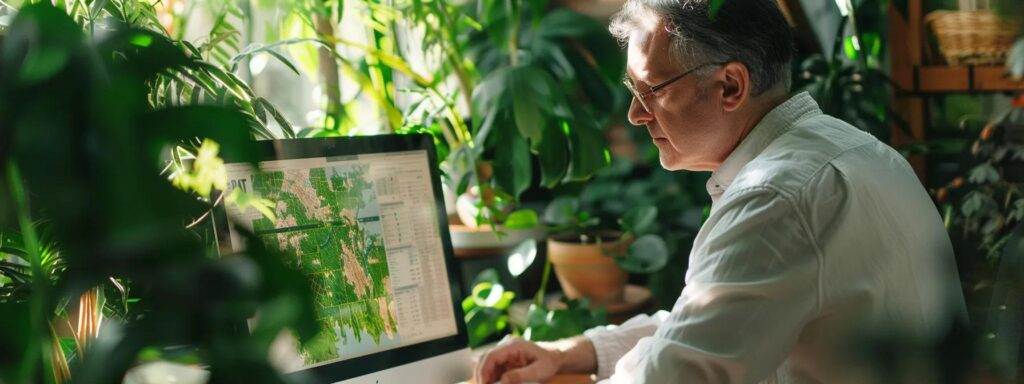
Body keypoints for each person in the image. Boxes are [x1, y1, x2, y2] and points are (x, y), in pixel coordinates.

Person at [473, 0, 967, 383]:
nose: (635, 115)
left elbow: (676, 374)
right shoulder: (844, 149)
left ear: (731, 86)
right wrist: (572, 352)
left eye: (651, 90)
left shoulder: (776, 197)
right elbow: (712, 320)